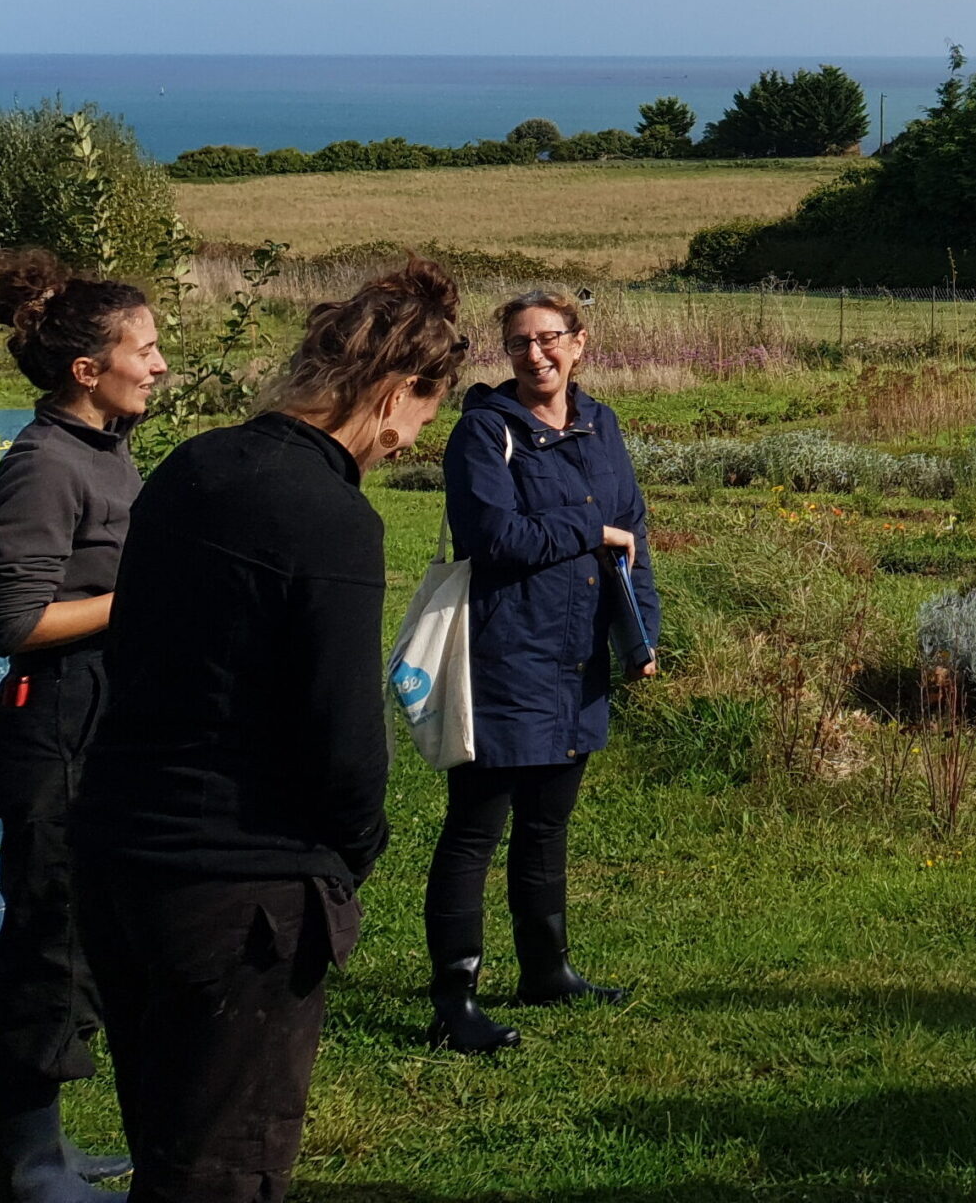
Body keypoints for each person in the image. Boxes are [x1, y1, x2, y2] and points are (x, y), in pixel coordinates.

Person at [76, 259, 467, 1203]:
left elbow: (134, 647)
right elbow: (341, 730)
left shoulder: (194, 464)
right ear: (392, 392)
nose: (417, 438)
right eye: (425, 411)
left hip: (123, 855)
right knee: (227, 1172)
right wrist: (344, 859)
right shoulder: (329, 516)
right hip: (241, 890)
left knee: (168, 1147)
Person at [422, 288, 661, 1051]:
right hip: (507, 652)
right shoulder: (485, 433)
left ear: (580, 343)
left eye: (550, 338)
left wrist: (641, 632)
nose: (536, 354)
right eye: (520, 342)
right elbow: (494, 538)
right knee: (474, 831)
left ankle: (545, 969)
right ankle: (454, 1001)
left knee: (548, 825)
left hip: (579, 654)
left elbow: (635, 535)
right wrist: (590, 528)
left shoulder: (602, 425)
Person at [0, 254, 168, 1203]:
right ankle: (25, 1163)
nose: (162, 363)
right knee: (49, 938)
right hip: (52, 722)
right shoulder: (44, 464)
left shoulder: (105, 448)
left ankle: (37, 1138)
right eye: (145, 348)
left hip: (98, 719)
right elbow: (15, 623)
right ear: (86, 370)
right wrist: (145, 593)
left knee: (82, 931)